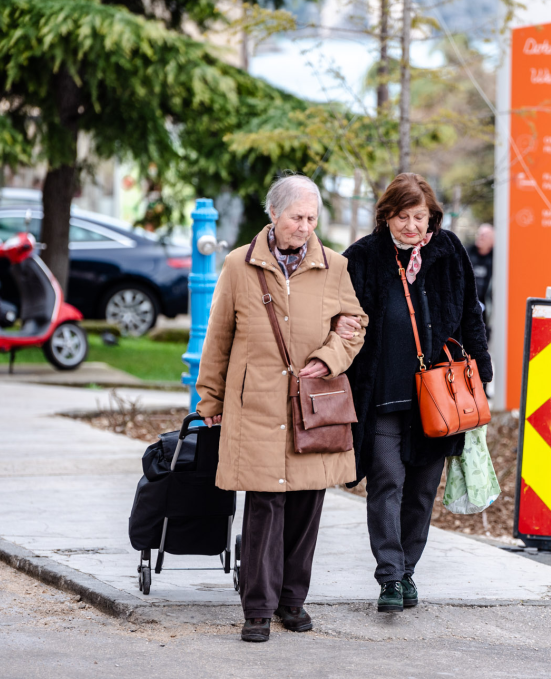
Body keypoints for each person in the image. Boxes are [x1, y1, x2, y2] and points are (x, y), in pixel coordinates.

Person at [195, 174, 368, 643]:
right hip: (255, 406)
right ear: (273, 214)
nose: (305, 227)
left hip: (312, 408)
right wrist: (209, 397)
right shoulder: (238, 265)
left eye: (312, 218)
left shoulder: (333, 266)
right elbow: (219, 338)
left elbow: (353, 325)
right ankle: (257, 608)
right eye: (297, 217)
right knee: (265, 505)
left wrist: (327, 358)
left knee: (307, 504)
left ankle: (292, 601)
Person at [334, 173, 492, 613]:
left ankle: (406, 571)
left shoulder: (448, 251)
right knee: (387, 481)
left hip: (439, 397)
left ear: (431, 217)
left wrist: (480, 368)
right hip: (381, 396)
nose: (410, 226)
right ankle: (388, 577)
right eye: (401, 216)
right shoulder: (363, 257)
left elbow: (469, 315)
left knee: (422, 490)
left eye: (418, 217)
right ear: (386, 216)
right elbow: (337, 313)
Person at [466, 223, 494, 339]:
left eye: (485, 235)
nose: (481, 237)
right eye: (479, 234)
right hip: (468, 304)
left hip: (487, 308)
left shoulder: (496, 258)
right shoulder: (468, 252)